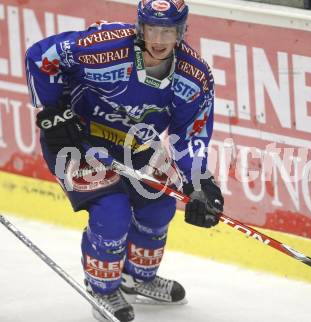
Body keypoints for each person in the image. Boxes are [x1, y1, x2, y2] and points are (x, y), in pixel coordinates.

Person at [25, 1, 224, 321]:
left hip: (136, 145)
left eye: (168, 31)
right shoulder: (103, 47)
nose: (158, 40)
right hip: (79, 140)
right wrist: (54, 114)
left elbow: (188, 138)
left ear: (182, 31)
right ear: (139, 27)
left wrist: (200, 182)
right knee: (112, 211)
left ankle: (137, 278)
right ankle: (102, 288)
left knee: (160, 204)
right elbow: (41, 56)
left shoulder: (194, 76)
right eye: (151, 30)